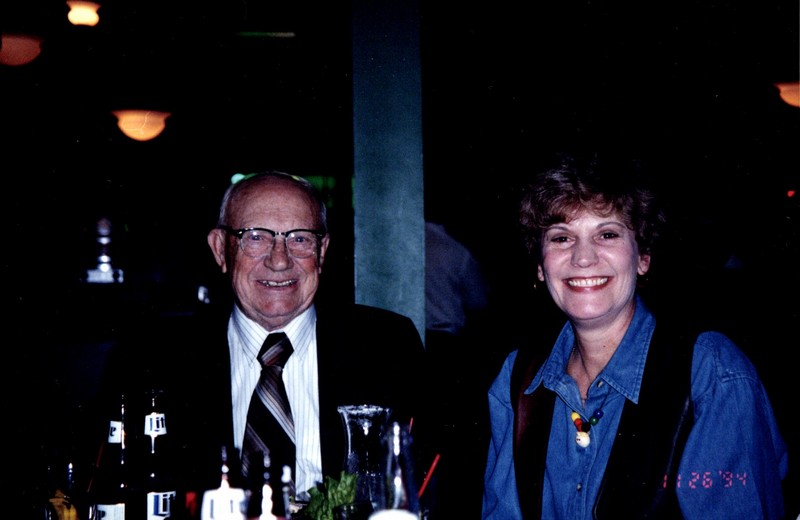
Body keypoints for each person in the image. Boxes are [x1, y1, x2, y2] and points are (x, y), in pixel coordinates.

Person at [90, 171, 430, 518]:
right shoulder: (151, 358)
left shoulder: (387, 346)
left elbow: (425, 484)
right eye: (255, 237)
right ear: (220, 249)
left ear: (322, 250)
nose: (279, 260)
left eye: (300, 239)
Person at [481, 152, 789, 519]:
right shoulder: (517, 379)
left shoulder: (710, 374)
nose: (583, 258)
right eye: (561, 238)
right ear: (539, 266)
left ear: (642, 256)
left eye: (607, 234)